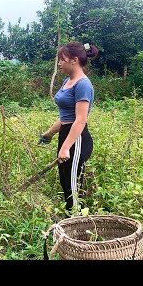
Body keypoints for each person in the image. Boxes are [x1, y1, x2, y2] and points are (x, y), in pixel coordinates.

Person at [39, 41, 99, 215]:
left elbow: (80, 120)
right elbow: (65, 118)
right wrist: (49, 133)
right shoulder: (68, 81)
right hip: (66, 134)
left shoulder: (83, 85)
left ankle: (78, 224)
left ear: (74, 60)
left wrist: (66, 147)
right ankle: (71, 221)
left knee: (73, 184)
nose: (59, 63)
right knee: (65, 181)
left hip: (77, 139)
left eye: (62, 59)